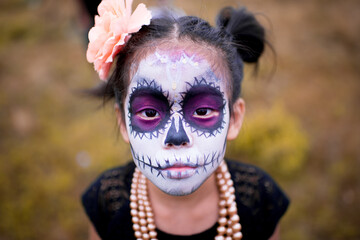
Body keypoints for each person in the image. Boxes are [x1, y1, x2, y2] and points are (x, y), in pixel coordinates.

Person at [82, 0, 290, 239]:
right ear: (123, 123)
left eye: (202, 111)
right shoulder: (106, 204)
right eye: (149, 113)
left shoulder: (259, 200)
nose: (177, 136)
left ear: (234, 118)